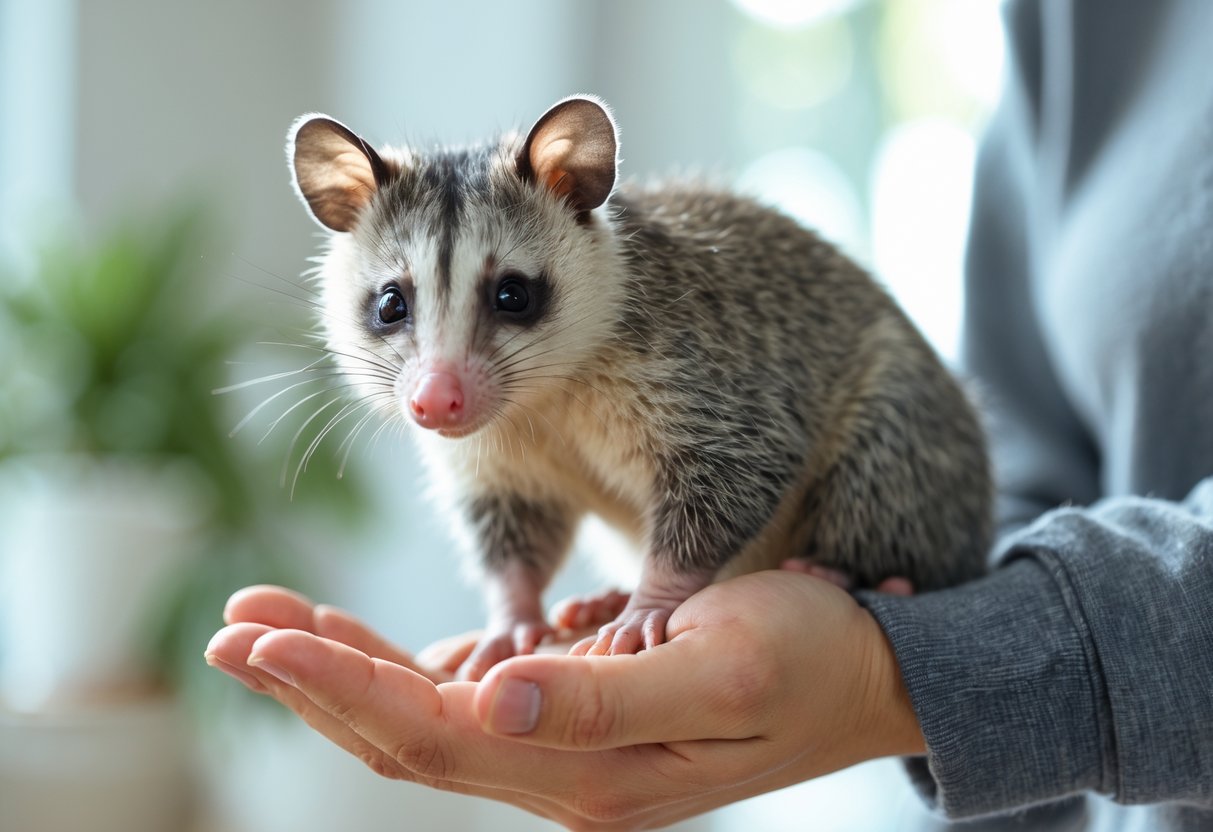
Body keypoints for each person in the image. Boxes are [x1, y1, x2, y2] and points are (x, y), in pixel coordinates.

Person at [205, 0, 1213, 828]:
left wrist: (866, 660)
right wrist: (517, 610)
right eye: (396, 311)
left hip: (867, 474)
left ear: (579, 211)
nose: (438, 381)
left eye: (510, 300)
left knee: (861, 407)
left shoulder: (649, 330)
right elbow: (510, 500)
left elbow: (734, 459)